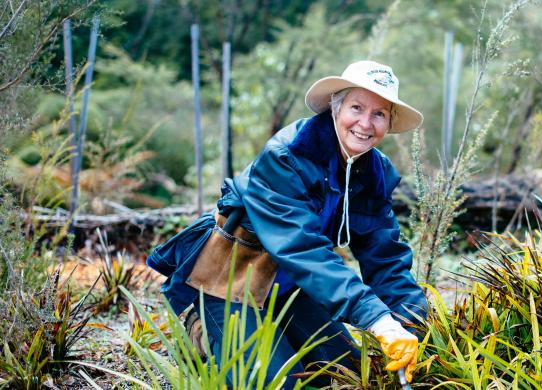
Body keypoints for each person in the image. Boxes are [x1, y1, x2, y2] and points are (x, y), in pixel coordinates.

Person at [146, 60, 428, 388]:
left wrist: (412, 325)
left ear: (389, 122)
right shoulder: (287, 156)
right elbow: (303, 249)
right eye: (357, 107)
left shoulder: (373, 171)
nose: (365, 123)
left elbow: (386, 258)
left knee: (347, 374)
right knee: (278, 383)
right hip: (229, 280)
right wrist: (376, 318)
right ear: (336, 107)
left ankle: (263, 334)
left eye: (379, 113)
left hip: (292, 288)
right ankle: (203, 335)